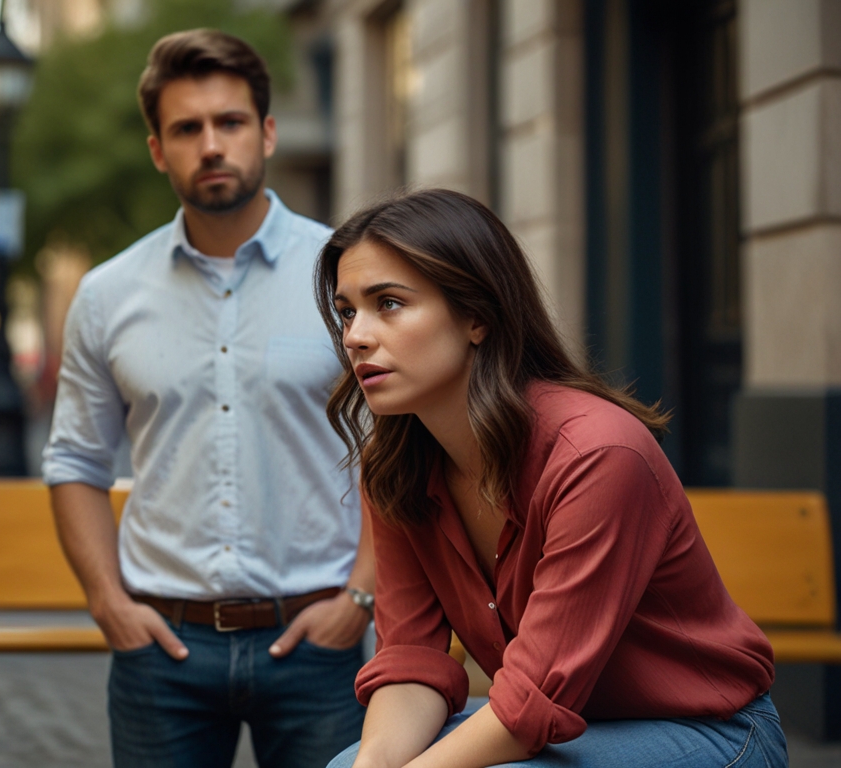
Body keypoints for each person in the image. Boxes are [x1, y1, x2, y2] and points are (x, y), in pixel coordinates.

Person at [313, 189, 786, 768]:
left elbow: (530, 700)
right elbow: (412, 659)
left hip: (709, 730)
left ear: (477, 317)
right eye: (346, 311)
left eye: (388, 303)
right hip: (565, 729)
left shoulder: (596, 454)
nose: (355, 336)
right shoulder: (397, 466)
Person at [42, 29, 372, 768]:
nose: (211, 144)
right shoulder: (107, 294)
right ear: (158, 149)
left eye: (230, 122)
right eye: (187, 128)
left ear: (268, 132)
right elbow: (74, 461)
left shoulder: (344, 275)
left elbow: (397, 445)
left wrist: (361, 597)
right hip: (163, 652)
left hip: (320, 641)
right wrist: (107, 601)